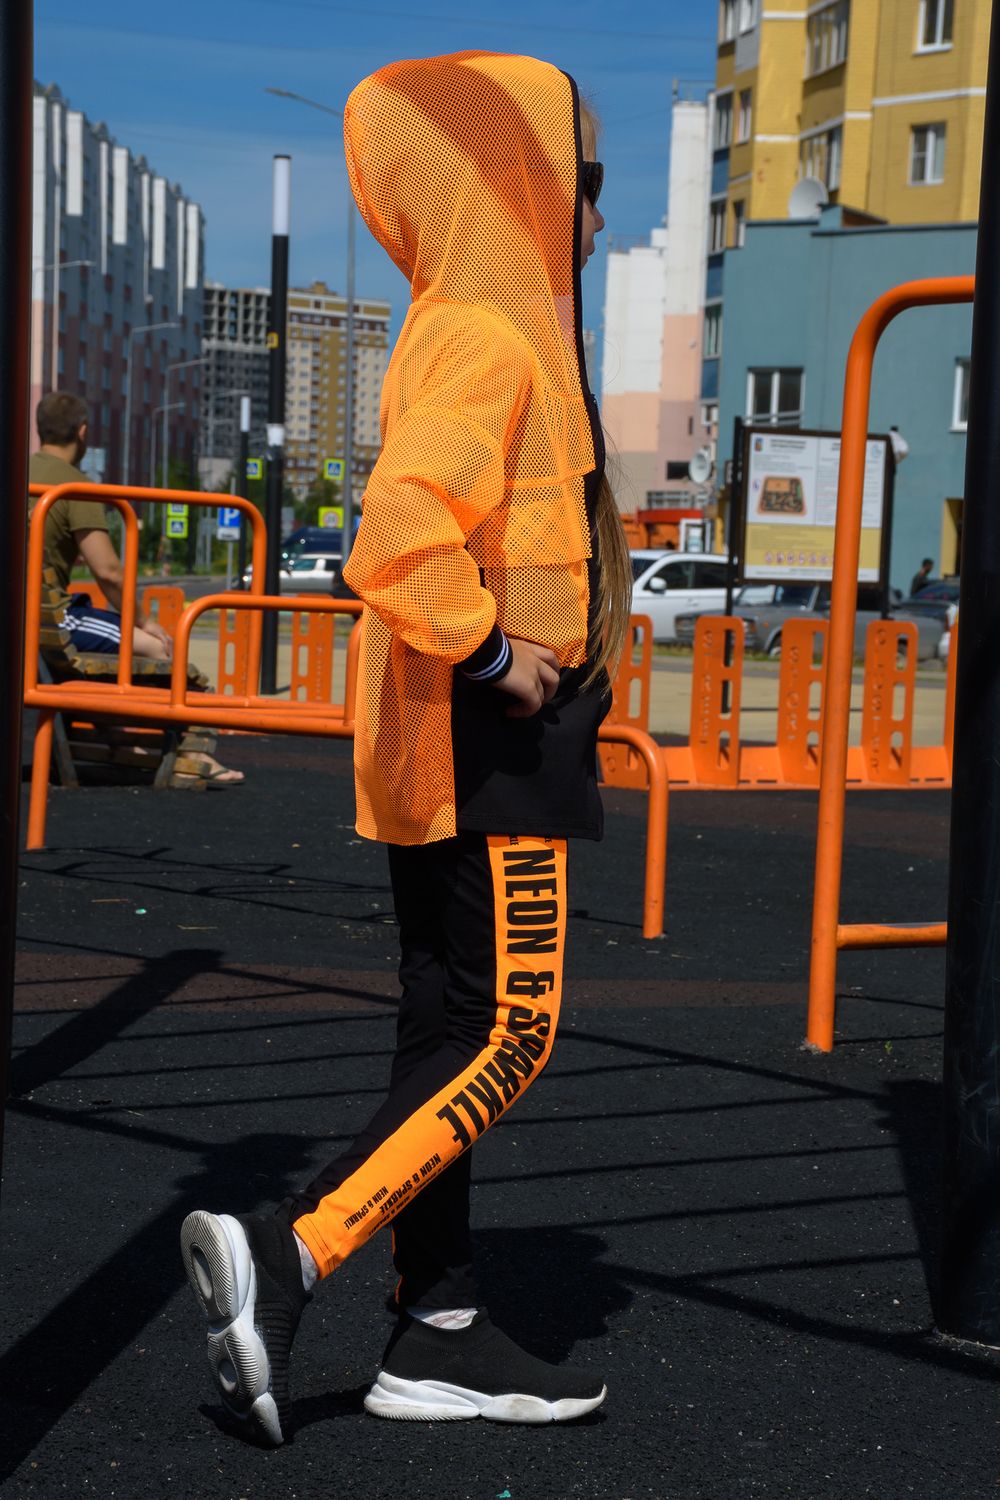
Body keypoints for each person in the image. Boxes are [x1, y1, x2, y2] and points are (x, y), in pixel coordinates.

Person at [180, 51, 631, 1442]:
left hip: (443, 746)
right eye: (585, 182)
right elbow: (397, 536)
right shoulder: (493, 337)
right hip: (492, 741)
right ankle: (295, 1250)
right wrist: (496, 651)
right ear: (521, 186)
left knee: (442, 1030)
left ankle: (436, 1327)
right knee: (511, 1033)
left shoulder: (458, 324)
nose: (599, 216)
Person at [29, 390, 244, 784]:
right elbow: (109, 571)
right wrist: (145, 621)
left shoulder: (17, 472)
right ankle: (193, 755)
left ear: (40, 429)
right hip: (49, 620)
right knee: (158, 647)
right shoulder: (75, 487)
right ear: (82, 432)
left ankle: (116, 734)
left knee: (102, 640)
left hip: (23, 615)